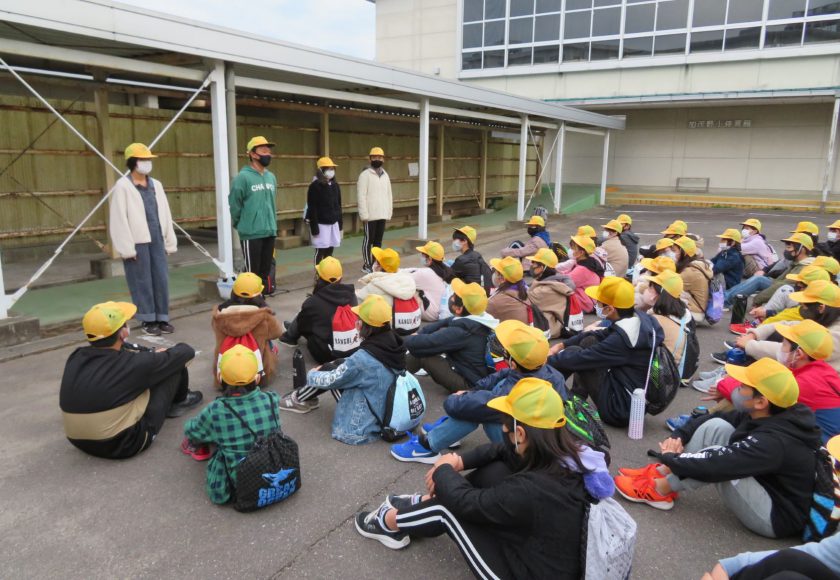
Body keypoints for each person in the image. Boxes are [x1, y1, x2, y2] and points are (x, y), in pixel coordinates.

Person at [354, 378, 589, 580]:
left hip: (525, 573)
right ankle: (422, 504)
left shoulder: (530, 489)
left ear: (520, 434)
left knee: (448, 509)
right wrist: (458, 462)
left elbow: (465, 502)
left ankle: (388, 523)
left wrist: (443, 469)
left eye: (505, 426)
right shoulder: (564, 455)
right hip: (541, 549)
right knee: (496, 469)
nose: (503, 430)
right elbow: (500, 451)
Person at [615, 358, 821, 539]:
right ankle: (663, 473)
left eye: (743, 386)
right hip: (764, 482)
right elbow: (713, 417)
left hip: (775, 515)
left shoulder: (776, 442)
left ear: (761, 401)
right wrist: (679, 436)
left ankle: (661, 489)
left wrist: (671, 458)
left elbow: (716, 465)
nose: (737, 389)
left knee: (719, 463)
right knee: (717, 427)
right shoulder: (769, 411)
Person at [392, 320, 567, 463]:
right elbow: (502, 375)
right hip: (545, 444)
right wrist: (473, 391)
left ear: (513, 363)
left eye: (506, 351)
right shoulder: (551, 374)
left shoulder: (514, 389)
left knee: (473, 412)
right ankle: (445, 432)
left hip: (528, 454)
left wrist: (459, 397)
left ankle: (427, 446)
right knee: (476, 405)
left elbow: (460, 405)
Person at [60, 301, 202, 459]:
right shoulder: (135, 363)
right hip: (124, 444)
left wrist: (150, 354)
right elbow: (186, 352)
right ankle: (180, 402)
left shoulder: (76, 356)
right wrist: (160, 355)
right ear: (123, 333)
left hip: (77, 440)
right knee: (172, 368)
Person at [705, 435, 840, 580]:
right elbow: (806, 556)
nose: (834, 475)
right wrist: (729, 567)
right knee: (790, 566)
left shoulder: (781, 437)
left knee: (719, 456)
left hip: (779, 519)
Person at [279, 295, 406, 445]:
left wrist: (312, 374)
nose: (356, 324)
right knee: (334, 366)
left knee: (328, 373)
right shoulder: (394, 343)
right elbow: (361, 366)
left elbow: (332, 379)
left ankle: (298, 398)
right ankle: (300, 398)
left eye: (359, 320)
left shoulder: (363, 358)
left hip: (360, 428)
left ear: (367, 327)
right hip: (386, 408)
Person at [548, 277, 664, 426]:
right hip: (632, 397)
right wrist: (560, 346)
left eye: (599, 303)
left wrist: (542, 361)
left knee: (576, 354)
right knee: (587, 342)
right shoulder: (638, 319)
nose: (596, 305)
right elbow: (597, 335)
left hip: (618, 409)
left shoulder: (621, 341)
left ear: (610, 309)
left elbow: (581, 359)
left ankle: (550, 394)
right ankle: (575, 396)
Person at [181, 345, 281, 504]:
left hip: (242, 482)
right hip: (270, 463)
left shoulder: (217, 410)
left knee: (205, 434)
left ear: (220, 378)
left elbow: (191, 430)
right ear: (257, 378)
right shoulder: (272, 399)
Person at [109, 142, 178, 336]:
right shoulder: (123, 186)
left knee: (161, 278)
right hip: (136, 241)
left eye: (148, 160)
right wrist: (126, 248)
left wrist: (169, 240)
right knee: (142, 281)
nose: (147, 163)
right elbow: (118, 219)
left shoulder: (157, 185)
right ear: (132, 162)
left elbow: (166, 212)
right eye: (143, 160)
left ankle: (162, 317)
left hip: (157, 237)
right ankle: (148, 319)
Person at [405, 279, 498, 392]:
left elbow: (425, 342)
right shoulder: (482, 318)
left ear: (459, 309)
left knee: (422, 355)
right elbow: (448, 320)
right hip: (481, 378)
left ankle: (393, 375)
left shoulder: (461, 331)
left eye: (453, 296)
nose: (451, 298)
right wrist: (420, 333)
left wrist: (410, 338)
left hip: (470, 385)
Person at [280, 257, 357, 364]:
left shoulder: (313, 302)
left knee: (304, 316)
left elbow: (304, 326)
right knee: (311, 316)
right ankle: (291, 331)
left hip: (327, 355)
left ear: (318, 277)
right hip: (353, 350)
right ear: (341, 278)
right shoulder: (351, 295)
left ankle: (289, 336)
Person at [774, 320, 840, 442]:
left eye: (784, 344)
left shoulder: (804, 383)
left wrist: (726, 380)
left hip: (821, 451)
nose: (781, 349)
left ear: (798, 354)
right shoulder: (823, 370)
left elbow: (758, 396)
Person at [212, 272, 281, 386]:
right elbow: (277, 333)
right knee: (268, 340)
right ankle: (262, 373)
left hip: (226, 371)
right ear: (259, 294)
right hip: (254, 374)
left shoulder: (220, 314)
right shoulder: (264, 315)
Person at [229, 136, 278, 294]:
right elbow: (235, 204)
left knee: (265, 272)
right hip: (251, 233)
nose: (268, 153)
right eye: (263, 150)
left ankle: (260, 301)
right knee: (252, 274)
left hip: (269, 231)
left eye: (268, 150)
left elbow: (272, 202)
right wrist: (242, 224)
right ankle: (251, 302)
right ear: (253, 154)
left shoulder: (271, 177)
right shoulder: (242, 178)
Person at [725, 232, 815, 308]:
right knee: (759, 279)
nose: (786, 251)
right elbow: (780, 280)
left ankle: (725, 300)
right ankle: (725, 296)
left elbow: (782, 284)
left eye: (789, 248)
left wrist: (758, 299)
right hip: (781, 286)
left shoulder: (804, 267)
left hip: (789, 293)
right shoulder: (797, 263)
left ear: (802, 250)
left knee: (758, 280)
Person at [642, 270, 694, 373]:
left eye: (651, 287)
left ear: (660, 293)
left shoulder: (657, 319)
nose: (647, 290)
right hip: (676, 367)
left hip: (659, 372)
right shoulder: (684, 314)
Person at [356, 247, 421, 317]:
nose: (374, 263)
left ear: (379, 266)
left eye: (376, 261)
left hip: (384, 325)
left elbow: (357, 301)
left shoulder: (376, 284)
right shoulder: (407, 280)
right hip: (407, 323)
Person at [526, 248, 576, 338]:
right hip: (552, 325)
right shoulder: (556, 280)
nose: (531, 265)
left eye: (534, 262)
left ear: (542, 267)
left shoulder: (546, 290)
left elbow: (522, 299)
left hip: (548, 329)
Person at [358, 146, 393, 273]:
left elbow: (389, 194)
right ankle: (367, 264)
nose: (377, 159)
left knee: (378, 241)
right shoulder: (365, 175)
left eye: (380, 157)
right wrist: (364, 214)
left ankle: (374, 263)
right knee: (368, 240)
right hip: (370, 214)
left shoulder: (385, 175)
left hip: (382, 213)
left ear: (383, 159)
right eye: (374, 157)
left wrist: (389, 212)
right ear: (370, 159)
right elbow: (361, 196)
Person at [305, 156, 343, 264]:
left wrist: (340, 223)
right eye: (328, 169)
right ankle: (318, 274)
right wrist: (314, 227)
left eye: (332, 169)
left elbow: (338, 205)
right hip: (321, 224)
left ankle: (327, 273)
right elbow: (312, 207)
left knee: (330, 251)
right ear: (321, 170)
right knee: (320, 250)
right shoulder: (315, 186)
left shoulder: (335, 185)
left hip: (333, 223)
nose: (331, 171)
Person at [558, 234, 604, 313]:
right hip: (586, 300)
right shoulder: (587, 262)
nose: (571, 250)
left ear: (581, 252)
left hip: (584, 303)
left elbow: (565, 282)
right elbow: (566, 273)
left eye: (573, 248)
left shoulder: (582, 269)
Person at [672, 236, 713, 323]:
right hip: (699, 309)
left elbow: (668, 285)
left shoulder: (690, 272)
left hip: (694, 312)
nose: (672, 253)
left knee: (668, 292)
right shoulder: (697, 265)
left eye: (674, 251)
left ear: (684, 253)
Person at [406, 241, 451, 321]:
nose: (421, 257)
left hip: (430, 314)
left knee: (407, 288)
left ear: (429, 259)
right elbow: (416, 271)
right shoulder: (444, 270)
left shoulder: (426, 273)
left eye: (423, 255)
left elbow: (403, 279)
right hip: (441, 310)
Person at [486, 256, 533, 324]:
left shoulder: (495, 302)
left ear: (502, 278)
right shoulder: (527, 289)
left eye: (495, 272)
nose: (494, 274)